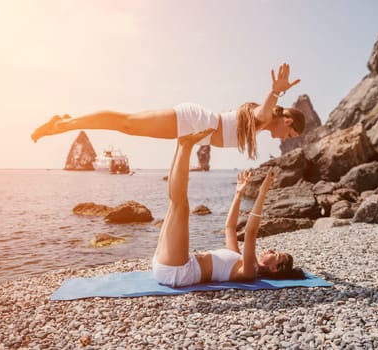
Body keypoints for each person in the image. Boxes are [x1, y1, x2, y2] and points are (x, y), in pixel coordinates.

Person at [31, 63, 304, 159]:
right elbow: (265, 110)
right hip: (191, 121)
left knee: (127, 125)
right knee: (126, 123)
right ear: (287, 119)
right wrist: (276, 91)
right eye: (289, 133)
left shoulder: (262, 123)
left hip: (191, 128)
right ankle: (64, 123)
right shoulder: (264, 118)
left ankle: (65, 122)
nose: (284, 138)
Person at [152, 128, 304, 287]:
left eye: (276, 254)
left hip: (178, 271)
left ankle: (186, 145)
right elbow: (230, 227)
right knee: (175, 203)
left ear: (273, 268)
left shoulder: (249, 271)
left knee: (180, 205)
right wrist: (238, 194)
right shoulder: (238, 258)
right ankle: (181, 143)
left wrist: (263, 190)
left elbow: (251, 233)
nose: (272, 249)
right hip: (173, 265)